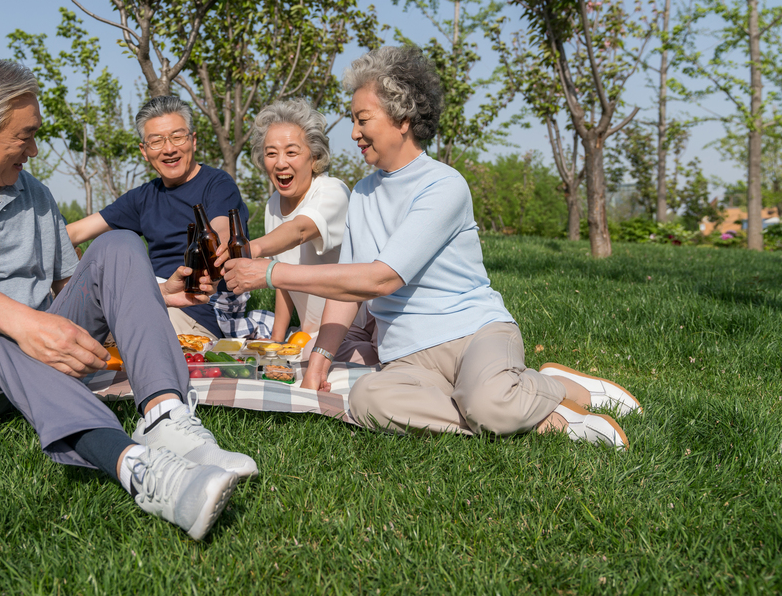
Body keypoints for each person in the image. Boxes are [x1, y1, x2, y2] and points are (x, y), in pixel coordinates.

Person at [0, 60, 257, 541]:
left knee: (116, 246)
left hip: (31, 351)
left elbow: (73, 288)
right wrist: (26, 326)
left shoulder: (34, 193)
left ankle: (164, 416)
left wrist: (158, 293)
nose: (34, 150)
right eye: (25, 136)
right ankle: (138, 469)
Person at [223, 46, 640, 449]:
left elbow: (383, 278)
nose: (353, 133)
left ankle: (555, 391)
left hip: (473, 333)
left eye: (362, 119)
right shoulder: (363, 194)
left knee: (486, 403)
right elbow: (345, 294)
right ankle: (510, 408)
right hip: (407, 358)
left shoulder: (443, 185)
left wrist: (271, 272)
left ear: (402, 118)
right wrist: (318, 363)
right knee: (367, 401)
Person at [66, 96, 268, 340]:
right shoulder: (143, 197)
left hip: (197, 309)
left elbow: (220, 232)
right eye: (157, 141)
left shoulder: (218, 184)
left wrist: (214, 250)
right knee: (71, 317)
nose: (169, 148)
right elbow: (74, 233)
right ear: (144, 151)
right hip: (150, 298)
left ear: (193, 140)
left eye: (177, 136)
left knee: (134, 326)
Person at [213, 99, 377, 364]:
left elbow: (300, 229)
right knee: (277, 359)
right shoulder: (272, 205)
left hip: (353, 329)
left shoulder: (332, 191)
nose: (280, 163)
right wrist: (276, 339)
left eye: (291, 152)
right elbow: (281, 279)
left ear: (314, 157)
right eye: (271, 153)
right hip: (310, 333)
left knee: (311, 360)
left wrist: (250, 249)